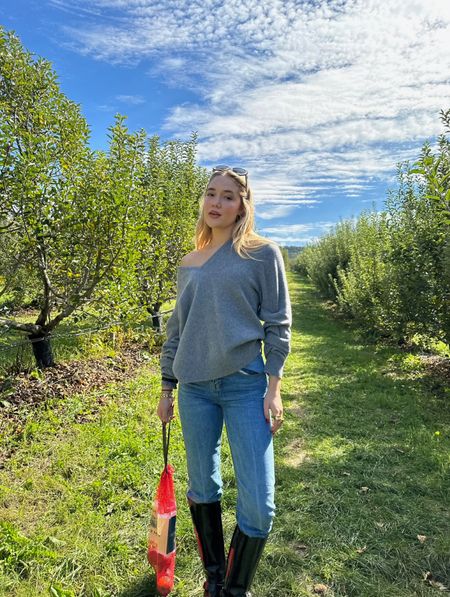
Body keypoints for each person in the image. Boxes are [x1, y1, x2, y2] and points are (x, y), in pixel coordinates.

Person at [158, 165, 292, 597]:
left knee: (259, 501)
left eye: (228, 196)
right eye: (211, 194)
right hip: (195, 388)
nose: (216, 203)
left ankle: (237, 587)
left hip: (244, 385)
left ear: (242, 206)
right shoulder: (189, 262)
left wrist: (274, 387)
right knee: (203, 485)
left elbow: (278, 323)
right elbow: (177, 329)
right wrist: (167, 388)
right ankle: (217, 581)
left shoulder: (262, 254)